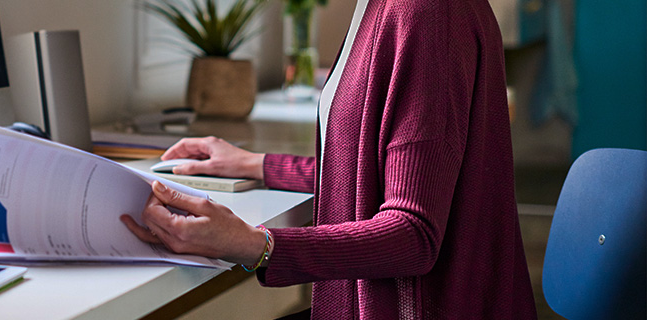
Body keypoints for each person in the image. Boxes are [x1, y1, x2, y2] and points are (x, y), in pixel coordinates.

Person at [120, 0, 537, 318]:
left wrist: (252, 243)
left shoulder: (427, 15)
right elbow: (378, 169)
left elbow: (414, 235)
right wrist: (256, 165)